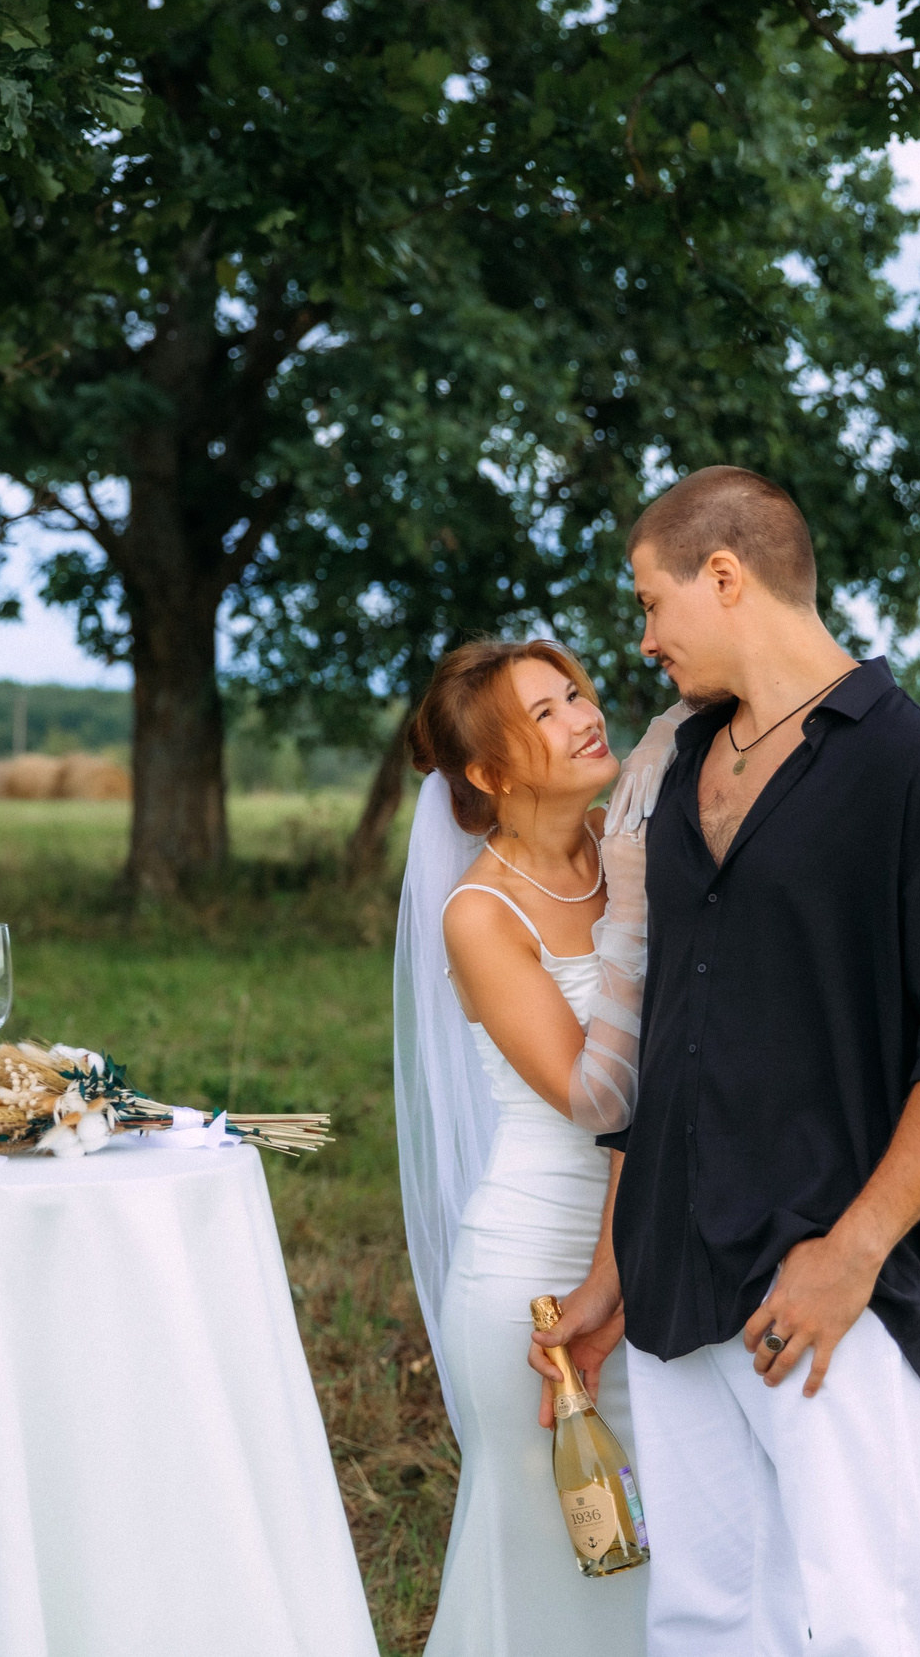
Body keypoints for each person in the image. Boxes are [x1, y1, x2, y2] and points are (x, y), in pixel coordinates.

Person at [533, 466, 920, 1657]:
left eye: (652, 602)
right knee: (707, 1620)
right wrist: (616, 1264)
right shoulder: (674, 766)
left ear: (725, 575)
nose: (644, 637)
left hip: (828, 1290)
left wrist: (850, 1254)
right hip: (674, 1272)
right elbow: (657, 1034)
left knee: (872, 1626)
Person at [393, 639, 657, 1657]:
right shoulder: (479, 915)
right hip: (537, 1268)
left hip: (649, 1252)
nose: (584, 716)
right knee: (553, 1551)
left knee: (662, 1549)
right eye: (542, 714)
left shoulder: (631, 844)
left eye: (576, 693)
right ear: (487, 774)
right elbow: (601, 1093)